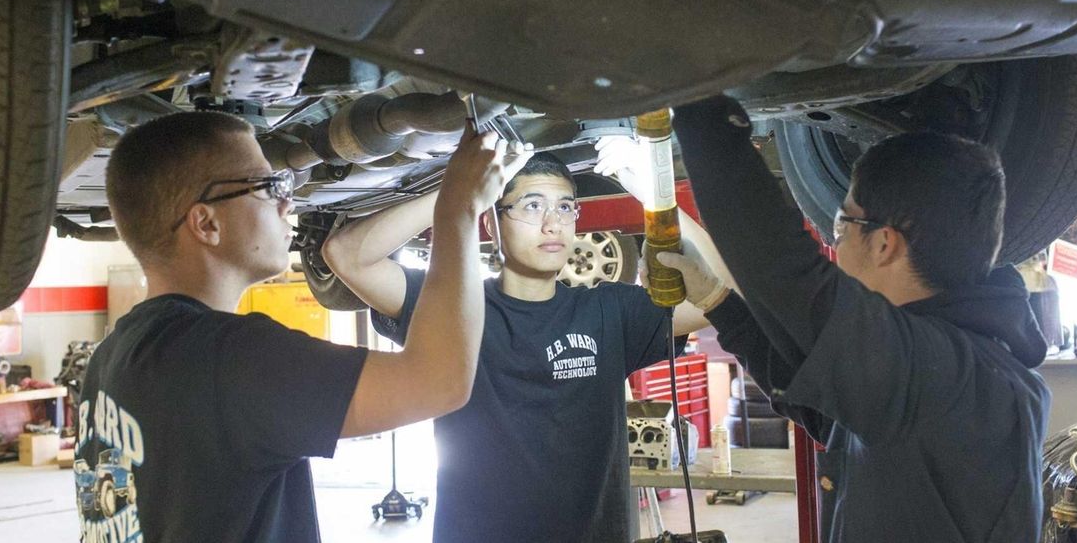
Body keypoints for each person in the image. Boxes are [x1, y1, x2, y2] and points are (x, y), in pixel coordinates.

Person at [74, 112, 529, 543]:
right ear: (206, 223)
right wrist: (459, 210)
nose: (288, 200)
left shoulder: (111, 358)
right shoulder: (231, 357)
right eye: (268, 186)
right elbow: (439, 381)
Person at [657, 97, 1051, 542]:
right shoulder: (953, 370)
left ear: (884, 243)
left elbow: (783, 272)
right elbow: (821, 408)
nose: (836, 245)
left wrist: (699, 108)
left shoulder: (952, 379)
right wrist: (718, 301)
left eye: (842, 226)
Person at [322, 148, 726, 543]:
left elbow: (721, 290)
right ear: (493, 223)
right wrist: (461, 193)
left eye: (565, 207)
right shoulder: (452, 307)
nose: (553, 224)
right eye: (532, 206)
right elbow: (346, 255)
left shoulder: (609, 312)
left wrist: (655, 195)